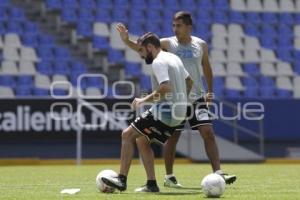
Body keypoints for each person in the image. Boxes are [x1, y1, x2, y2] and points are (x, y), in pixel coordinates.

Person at [116, 11, 236, 190]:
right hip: (176, 100)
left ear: (189, 27)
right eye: (173, 25)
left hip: (194, 97)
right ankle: (169, 176)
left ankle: (218, 174)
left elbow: (207, 68)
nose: (175, 29)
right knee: (172, 138)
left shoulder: (200, 44)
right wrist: (126, 41)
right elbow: (144, 48)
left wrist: (209, 92)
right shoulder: (167, 43)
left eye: (178, 25)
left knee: (208, 133)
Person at [102, 32, 194, 192]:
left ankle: (121, 179)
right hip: (180, 113)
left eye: (142, 51)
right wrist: (181, 100)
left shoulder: (158, 62)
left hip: (165, 111)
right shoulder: (174, 58)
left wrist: (142, 100)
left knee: (127, 135)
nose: (141, 55)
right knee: (142, 140)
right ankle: (152, 184)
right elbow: (189, 81)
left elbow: (165, 87)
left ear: (150, 47)